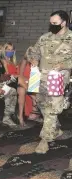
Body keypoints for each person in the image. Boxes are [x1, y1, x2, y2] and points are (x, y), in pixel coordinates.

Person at [30, 10, 72, 154]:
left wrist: (64, 64)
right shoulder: (44, 38)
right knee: (42, 104)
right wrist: (34, 59)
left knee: (51, 109)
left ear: (64, 22)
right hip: (41, 78)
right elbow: (33, 51)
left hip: (58, 80)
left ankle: (45, 140)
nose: (52, 25)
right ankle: (56, 129)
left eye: (55, 23)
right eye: (51, 23)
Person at [16, 46, 40, 127]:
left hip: (33, 82)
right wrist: (28, 82)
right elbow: (20, 77)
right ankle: (20, 117)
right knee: (23, 90)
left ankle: (36, 112)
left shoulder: (39, 61)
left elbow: (38, 76)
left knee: (37, 87)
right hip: (23, 82)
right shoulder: (24, 61)